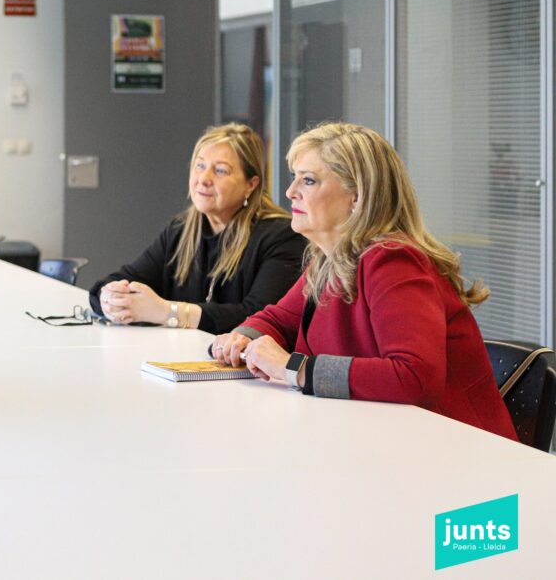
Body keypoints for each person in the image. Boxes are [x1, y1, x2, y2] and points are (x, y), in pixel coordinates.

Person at [211, 122, 516, 440]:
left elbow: (415, 377)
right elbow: (278, 319)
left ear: (356, 198)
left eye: (309, 181)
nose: (290, 192)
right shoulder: (331, 259)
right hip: (386, 444)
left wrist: (293, 368)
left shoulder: (394, 260)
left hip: (461, 460)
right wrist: (242, 338)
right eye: (294, 177)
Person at [88, 123, 305, 333]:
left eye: (220, 171)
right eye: (200, 166)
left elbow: (259, 317)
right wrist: (110, 298)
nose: (204, 179)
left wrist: (168, 312)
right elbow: (120, 280)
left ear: (251, 184)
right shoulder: (180, 231)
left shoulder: (281, 236)